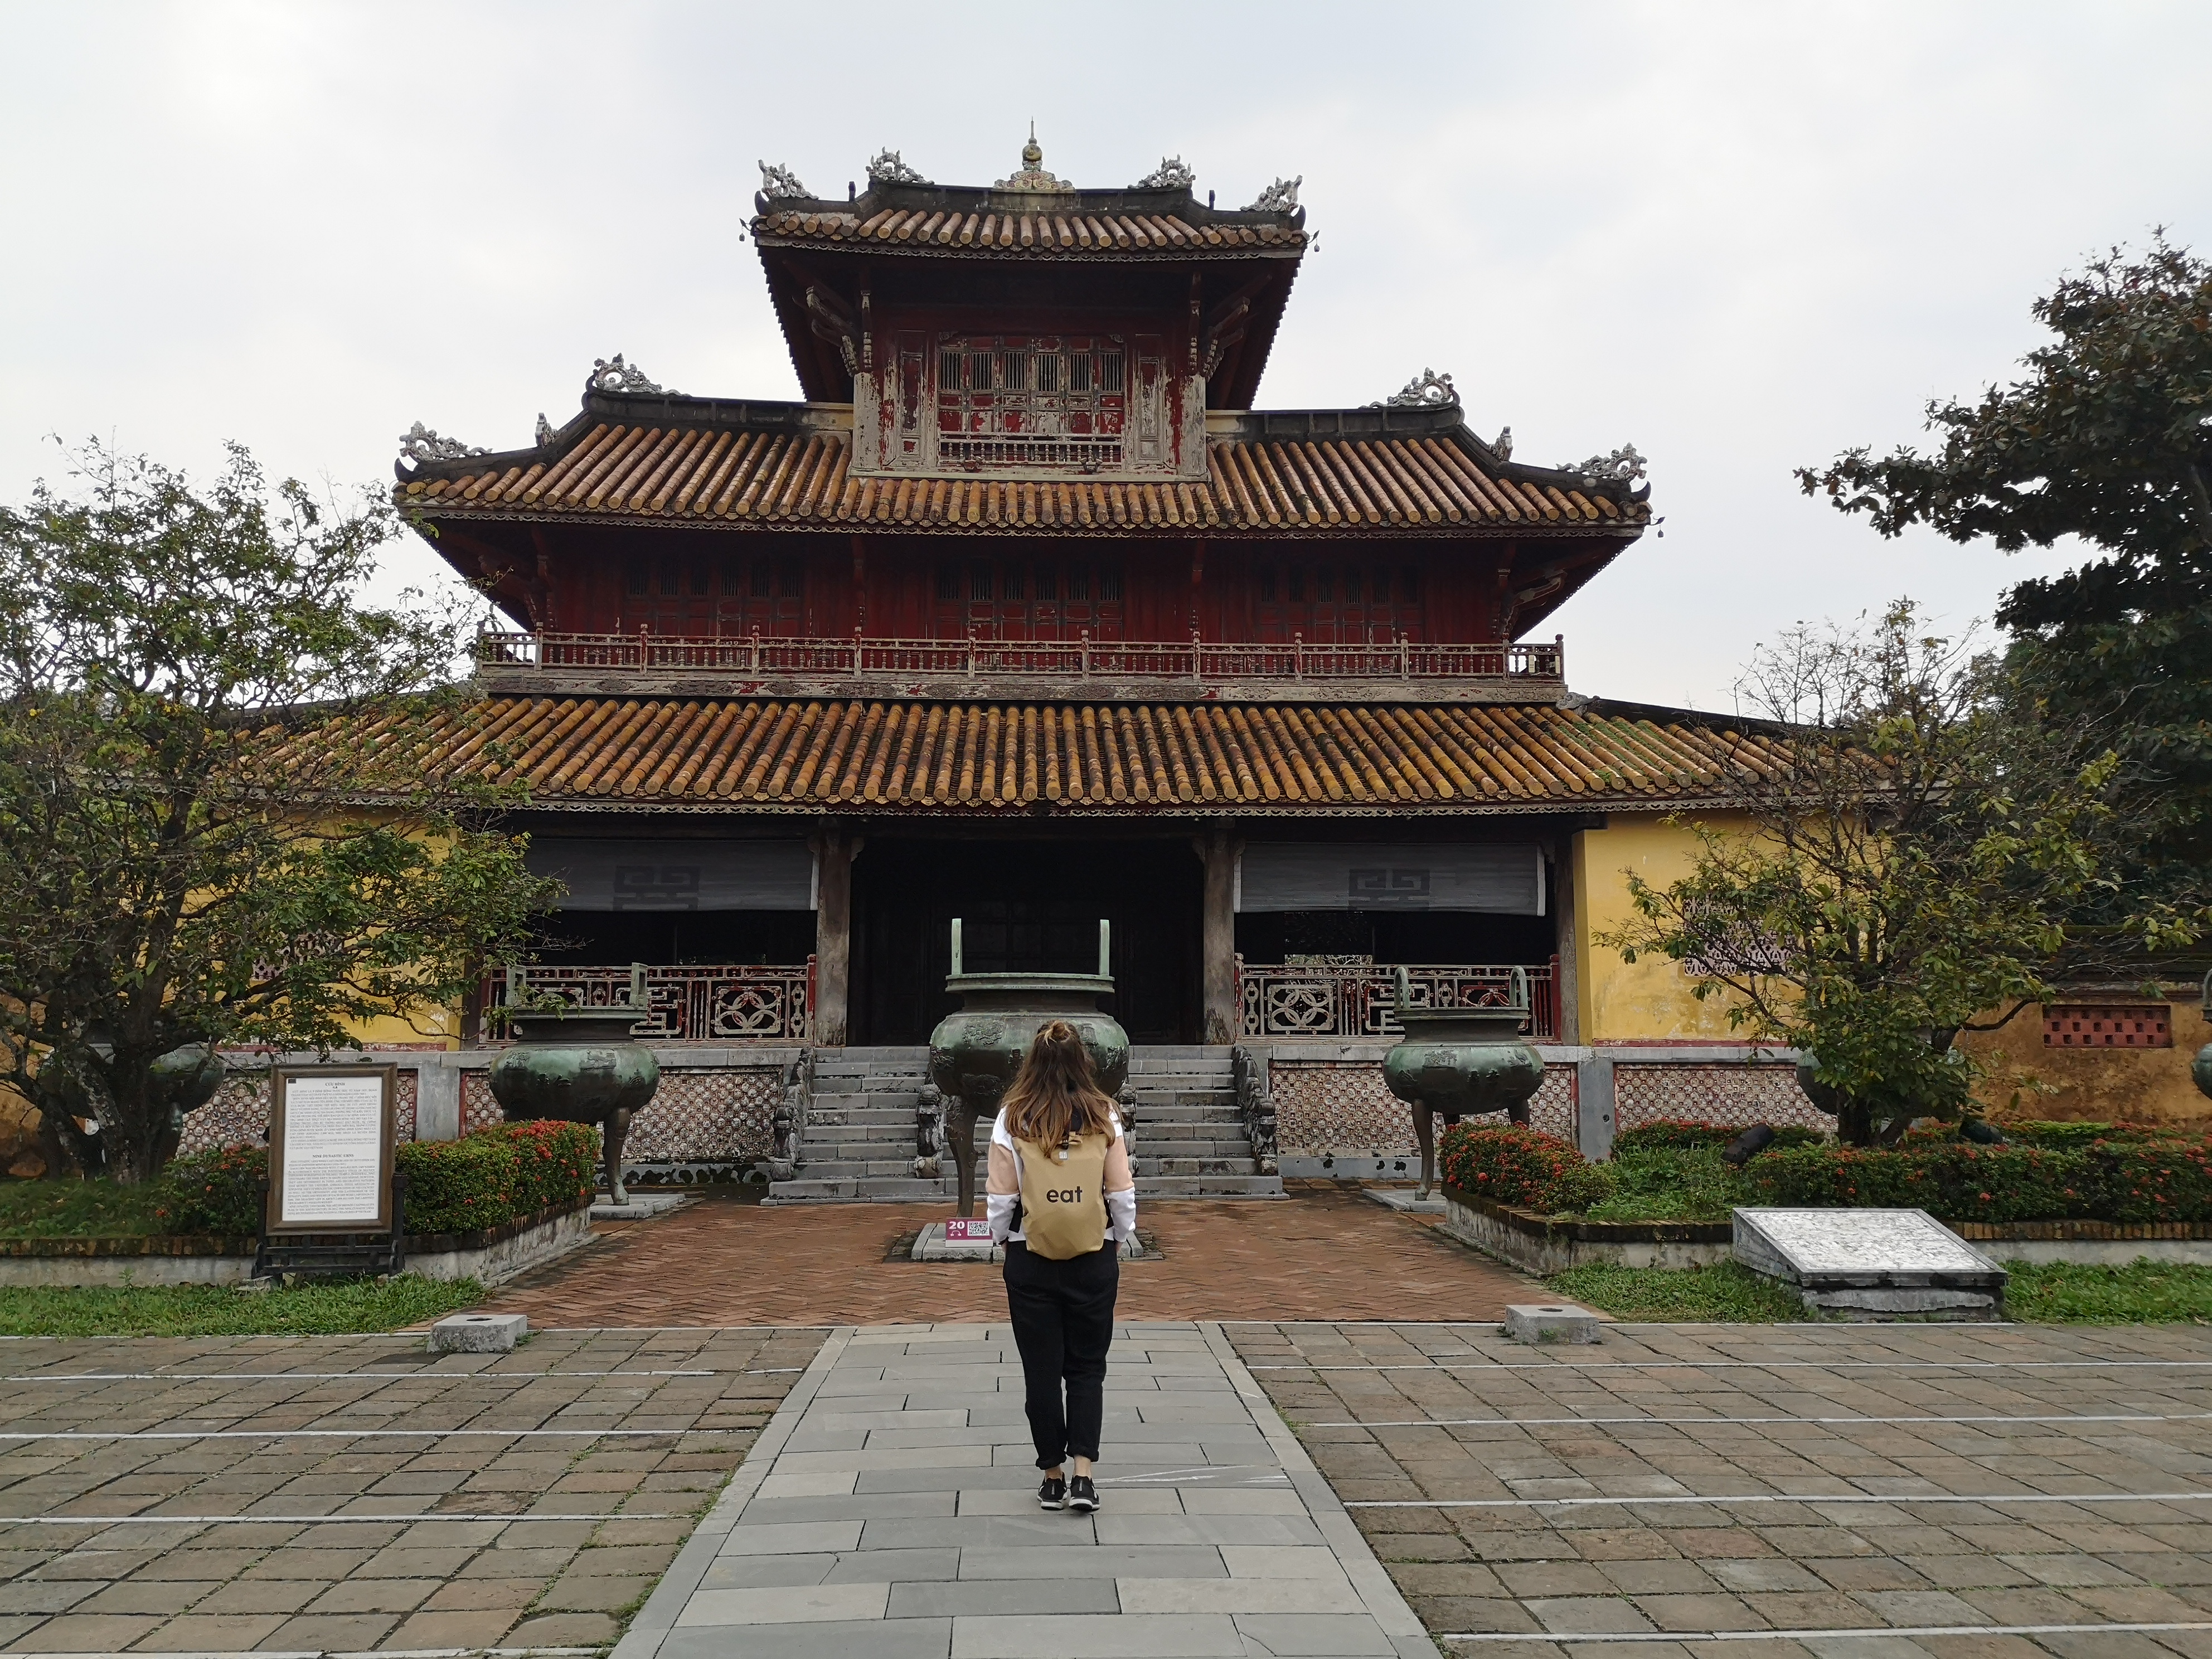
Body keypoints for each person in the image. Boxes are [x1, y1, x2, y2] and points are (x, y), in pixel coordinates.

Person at [986, 1020, 1137, 1514]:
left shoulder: (1013, 1116)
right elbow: (1122, 1191)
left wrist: (1003, 1240)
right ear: (1083, 1062)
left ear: (1031, 1061)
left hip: (1030, 1257)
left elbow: (1001, 1198)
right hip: (1093, 1257)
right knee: (1088, 1370)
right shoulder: (1103, 1114)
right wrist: (1119, 1236)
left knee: (1041, 1372)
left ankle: (1051, 1476)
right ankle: (1084, 1476)